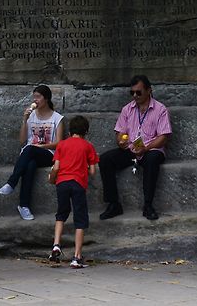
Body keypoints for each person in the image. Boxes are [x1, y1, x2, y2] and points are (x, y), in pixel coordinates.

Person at [99, 75, 172, 221]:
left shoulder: (160, 109)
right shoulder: (127, 109)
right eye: (132, 92)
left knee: (152, 160)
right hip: (132, 148)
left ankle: (148, 205)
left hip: (151, 149)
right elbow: (120, 132)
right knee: (105, 159)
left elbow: (163, 137)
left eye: (138, 92)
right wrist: (121, 141)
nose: (135, 96)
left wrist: (146, 148)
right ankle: (113, 204)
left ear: (149, 90)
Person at [0, 85, 64, 220]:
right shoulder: (31, 116)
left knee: (30, 148)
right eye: (34, 97)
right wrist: (25, 119)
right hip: (29, 154)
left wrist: (42, 146)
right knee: (30, 165)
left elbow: (59, 144)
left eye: (38, 97)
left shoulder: (57, 118)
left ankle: (12, 182)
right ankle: (24, 206)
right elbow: (22, 141)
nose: (35, 100)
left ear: (46, 99)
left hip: (48, 154)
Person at [47, 115, 98, 268]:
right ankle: (77, 257)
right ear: (86, 132)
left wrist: (52, 178)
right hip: (78, 184)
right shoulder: (88, 146)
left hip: (62, 183)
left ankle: (56, 245)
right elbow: (93, 172)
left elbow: (56, 167)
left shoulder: (62, 145)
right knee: (80, 219)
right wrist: (83, 168)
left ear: (70, 131)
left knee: (61, 214)